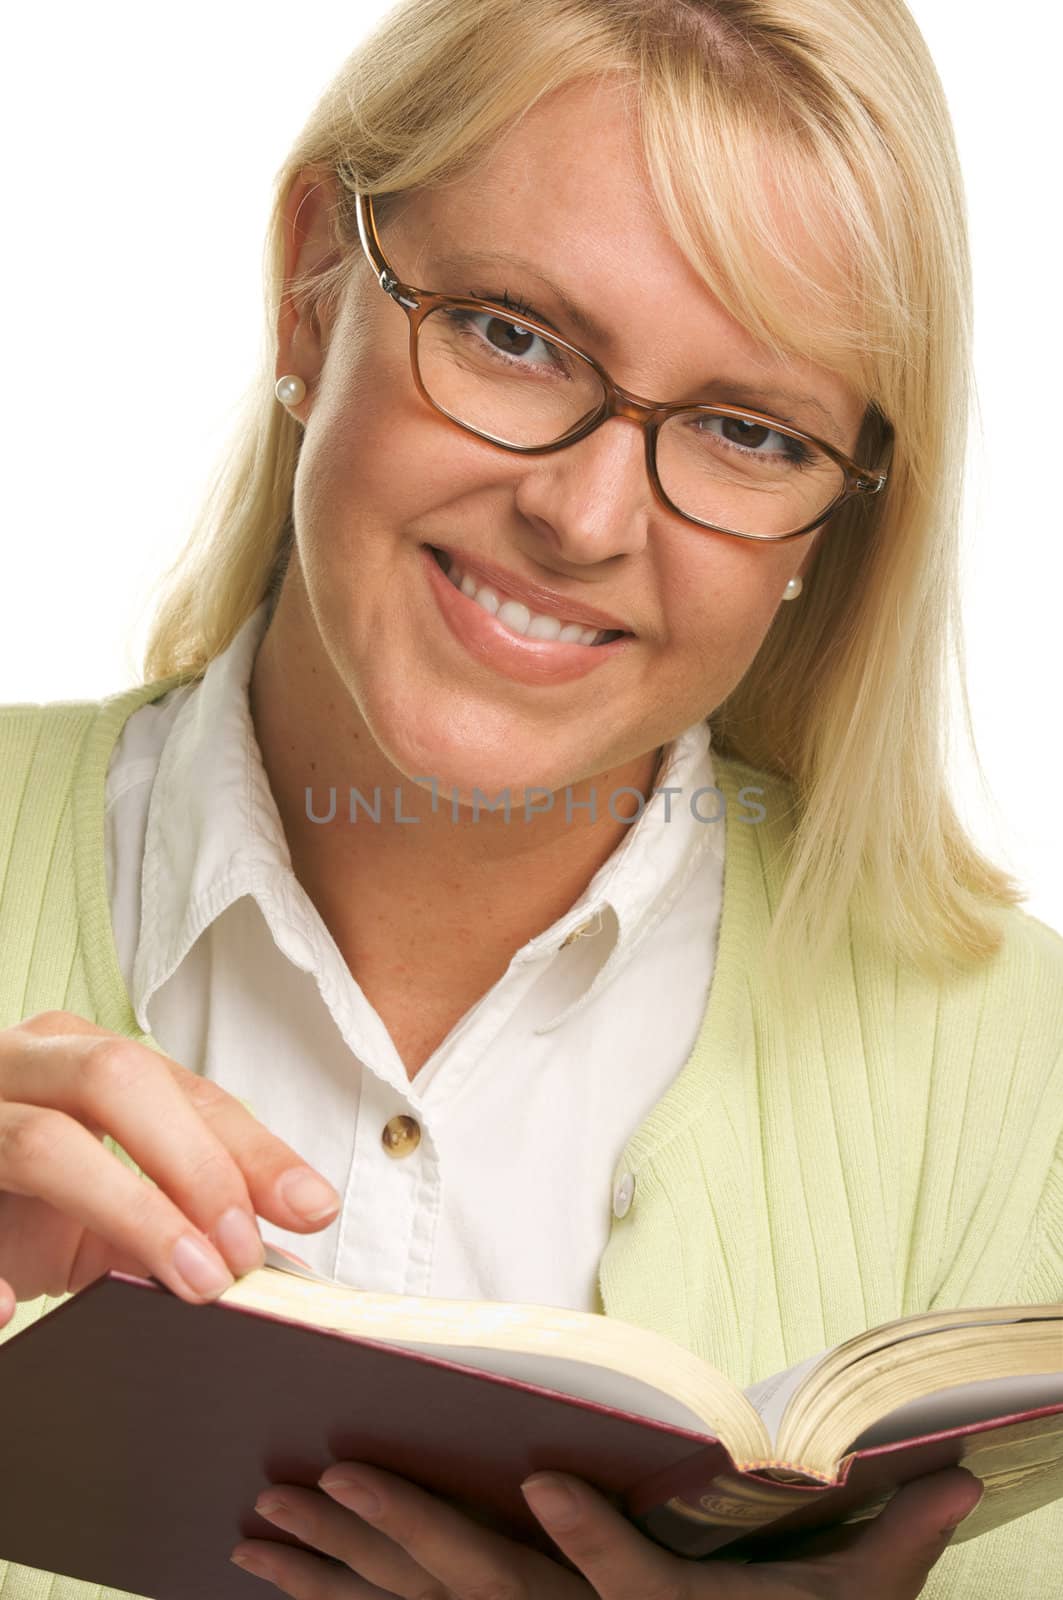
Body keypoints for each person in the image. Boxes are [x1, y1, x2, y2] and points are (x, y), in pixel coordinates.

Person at [0, 1, 1060, 1596]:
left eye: (746, 430)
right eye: (513, 333)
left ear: (829, 522)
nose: (580, 515)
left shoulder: (1026, 1087)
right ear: (311, 290)